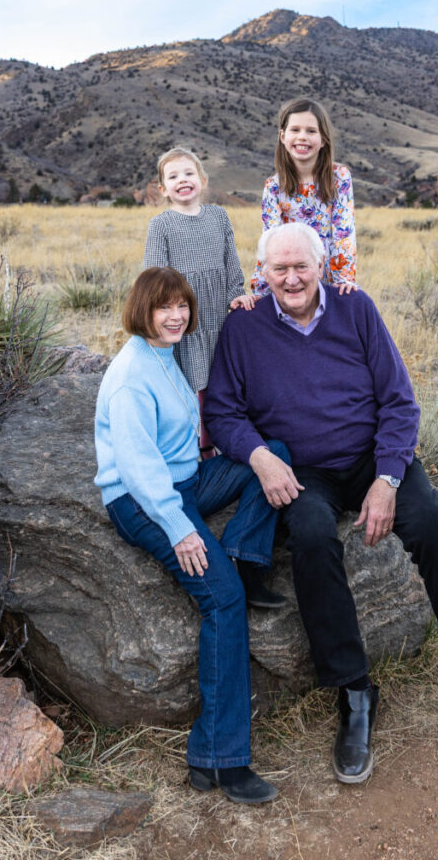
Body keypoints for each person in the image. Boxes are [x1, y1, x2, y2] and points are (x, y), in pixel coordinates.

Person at [205, 223, 438, 785]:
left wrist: (387, 478)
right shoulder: (242, 327)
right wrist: (260, 458)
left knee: (432, 524)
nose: (290, 278)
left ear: (322, 266)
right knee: (311, 536)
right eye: (278, 268)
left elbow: (399, 401)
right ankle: (354, 694)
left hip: (370, 457)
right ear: (261, 272)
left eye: (301, 266)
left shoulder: (357, 310)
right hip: (303, 470)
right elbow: (223, 411)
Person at [94, 266, 290, 804]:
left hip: (185, 480)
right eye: (164, 307)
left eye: (182, 305)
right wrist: (181, 529)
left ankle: (243, 554)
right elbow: (137, 467)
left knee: (270, 458)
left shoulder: (164, 355)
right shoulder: (133, 373)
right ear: (143, 311)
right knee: (223, 601)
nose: (176, 315)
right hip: (144, 503)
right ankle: (219, 760)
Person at [143, 147, 255, 455]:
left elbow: (232, 265)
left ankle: (228, 440)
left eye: (189, 173)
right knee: (192, 384)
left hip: (218, 313)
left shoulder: (219, 217)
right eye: (173, 176)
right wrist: (166, 315)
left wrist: (236, 296)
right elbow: (154, 276)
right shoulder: (161, 225)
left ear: (202, 180)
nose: (183, 180)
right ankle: (197, 447)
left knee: (222, 382)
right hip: (186, 319)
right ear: (163, 188)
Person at [251, 98, 357, 296]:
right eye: (295, 130)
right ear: (283, 136)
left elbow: (344, 234)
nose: (302, 137)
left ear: (323, 138)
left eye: (311, 131)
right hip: (290, 278)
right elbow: (270, 241)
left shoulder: (339, 177)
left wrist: (344, 280)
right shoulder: (274, 186)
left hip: (328, 275)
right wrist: (261, 289)